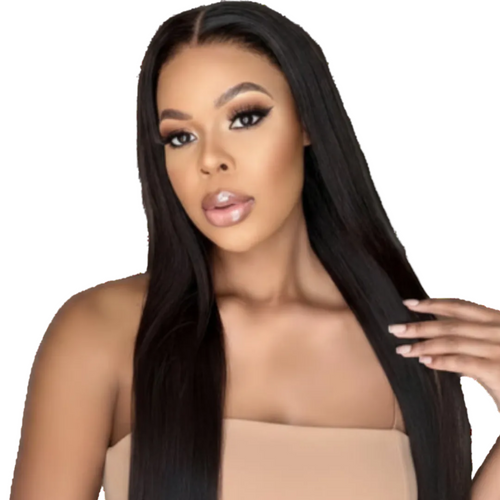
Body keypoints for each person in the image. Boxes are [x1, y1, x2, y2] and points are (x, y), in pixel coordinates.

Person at [10, 2, 475, 499]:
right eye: (181, 136)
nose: (211, 160)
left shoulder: (406, 344)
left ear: (307, 121)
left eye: (245, 117)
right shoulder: (100, 333)